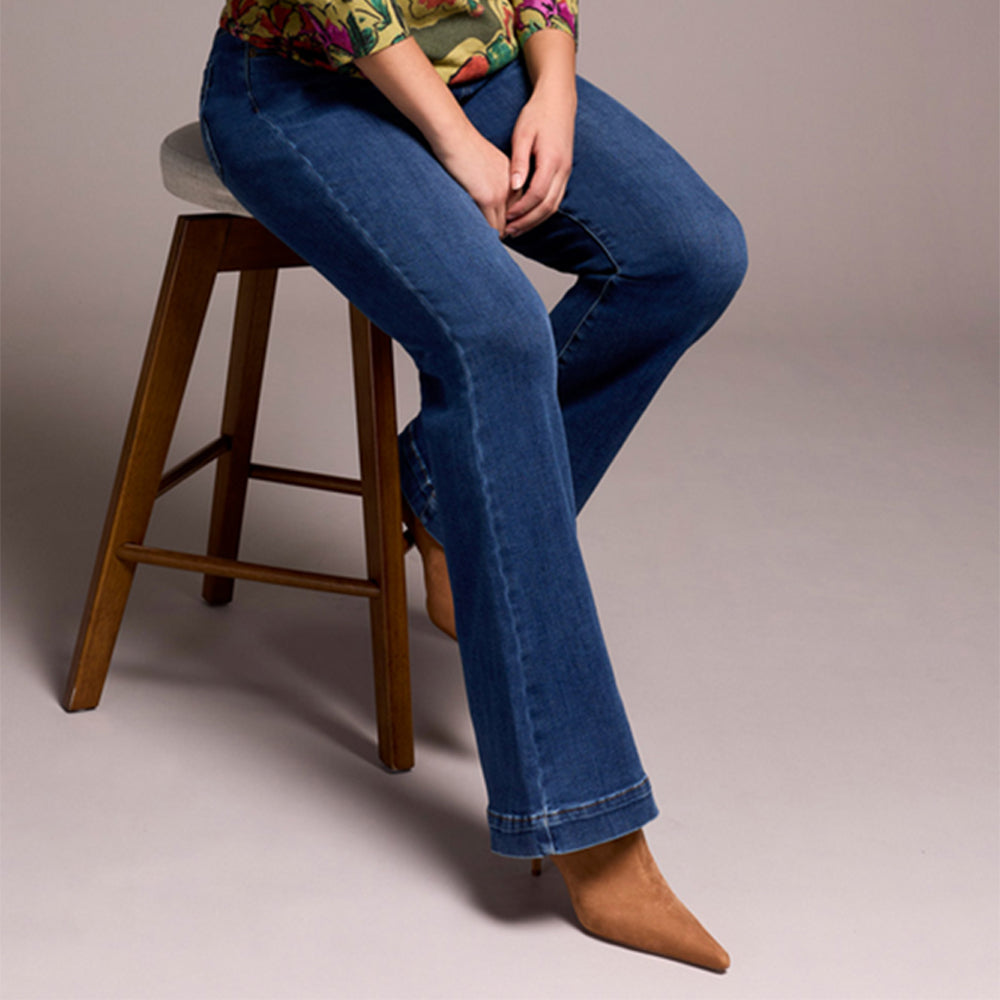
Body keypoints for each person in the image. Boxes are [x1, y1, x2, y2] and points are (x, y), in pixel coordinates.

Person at [200, 0, 746, 972]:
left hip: (477, 71)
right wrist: (453, 141)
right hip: (303, 88)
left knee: (689, 253)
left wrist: (554, 85)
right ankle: (587, 827)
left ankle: (451, 498)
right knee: (495, 337)